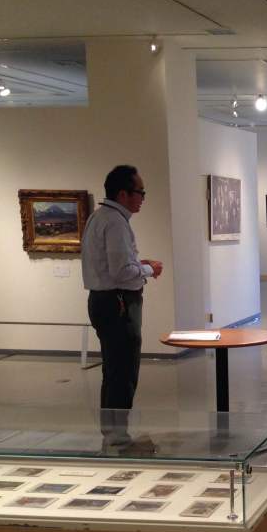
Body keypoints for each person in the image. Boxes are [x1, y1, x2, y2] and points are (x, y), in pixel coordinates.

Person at [82, 165, 163, 410]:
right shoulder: (115, 222)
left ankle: (112, 429)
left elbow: (110, 265)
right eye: (140, 192)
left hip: (104, 301)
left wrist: (138, 264)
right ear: (122, 194)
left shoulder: (99, 216)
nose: (143, 198)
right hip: (118, 304)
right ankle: (117, 430)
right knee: (123, 375)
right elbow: (120, 272)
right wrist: (149, 269)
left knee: (113, 372)